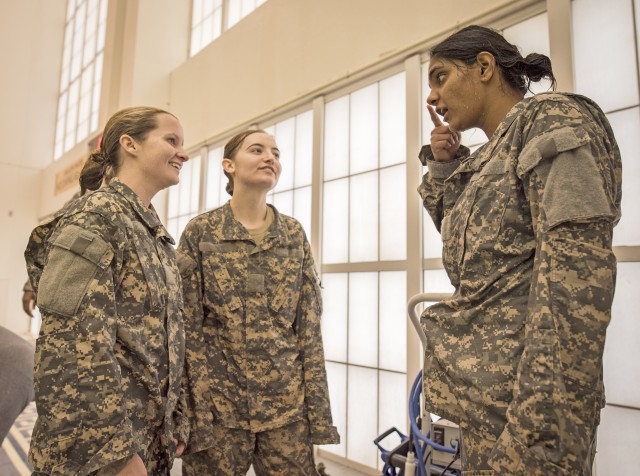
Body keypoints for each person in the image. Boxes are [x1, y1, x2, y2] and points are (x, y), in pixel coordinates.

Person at [418, 25, 621, 475]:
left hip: (529, 415)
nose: (431, 97)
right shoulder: (491, 156)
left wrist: (538, 429)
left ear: (485, 67)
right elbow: (470, 252)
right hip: (484, 404)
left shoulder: (549, 119)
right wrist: (445, 167)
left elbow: (574, 281)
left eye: (440, 76)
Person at [24, 106, 190, 475]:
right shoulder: (97, 216)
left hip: (143, 438)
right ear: (130, 144)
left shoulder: (152, 233)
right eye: (171, 140)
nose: (184, 152)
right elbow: (69, 345)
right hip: (94, 455)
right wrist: (113, 454)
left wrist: (171, 419)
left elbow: (160, 339)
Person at [177, 129, 339, 475]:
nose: (271, 158)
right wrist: (191, 409)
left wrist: (317, 413)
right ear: (229, 165)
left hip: (285, 410)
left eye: (276, 153)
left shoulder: (293, 234)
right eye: (257, 150)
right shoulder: (201, 233)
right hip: (219, 410)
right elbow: (185, 329)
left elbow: (308, 328)